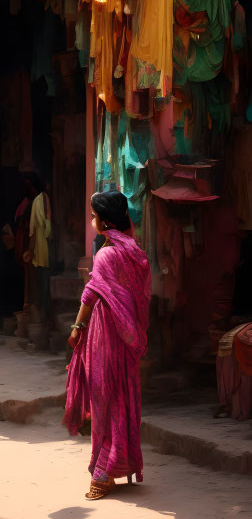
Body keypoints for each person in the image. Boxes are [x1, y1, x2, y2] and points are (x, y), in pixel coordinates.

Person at [63, 189, 151, 500]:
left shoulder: (107, 254)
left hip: (106, 335)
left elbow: (91, 295)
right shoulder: (134, 252)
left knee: (104, 398)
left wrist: (76, 328)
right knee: (122, 397)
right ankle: (116, 465)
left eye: (93, 216)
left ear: (104, 220)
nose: (91, 220)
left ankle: (101, 474)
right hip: (127, 336)